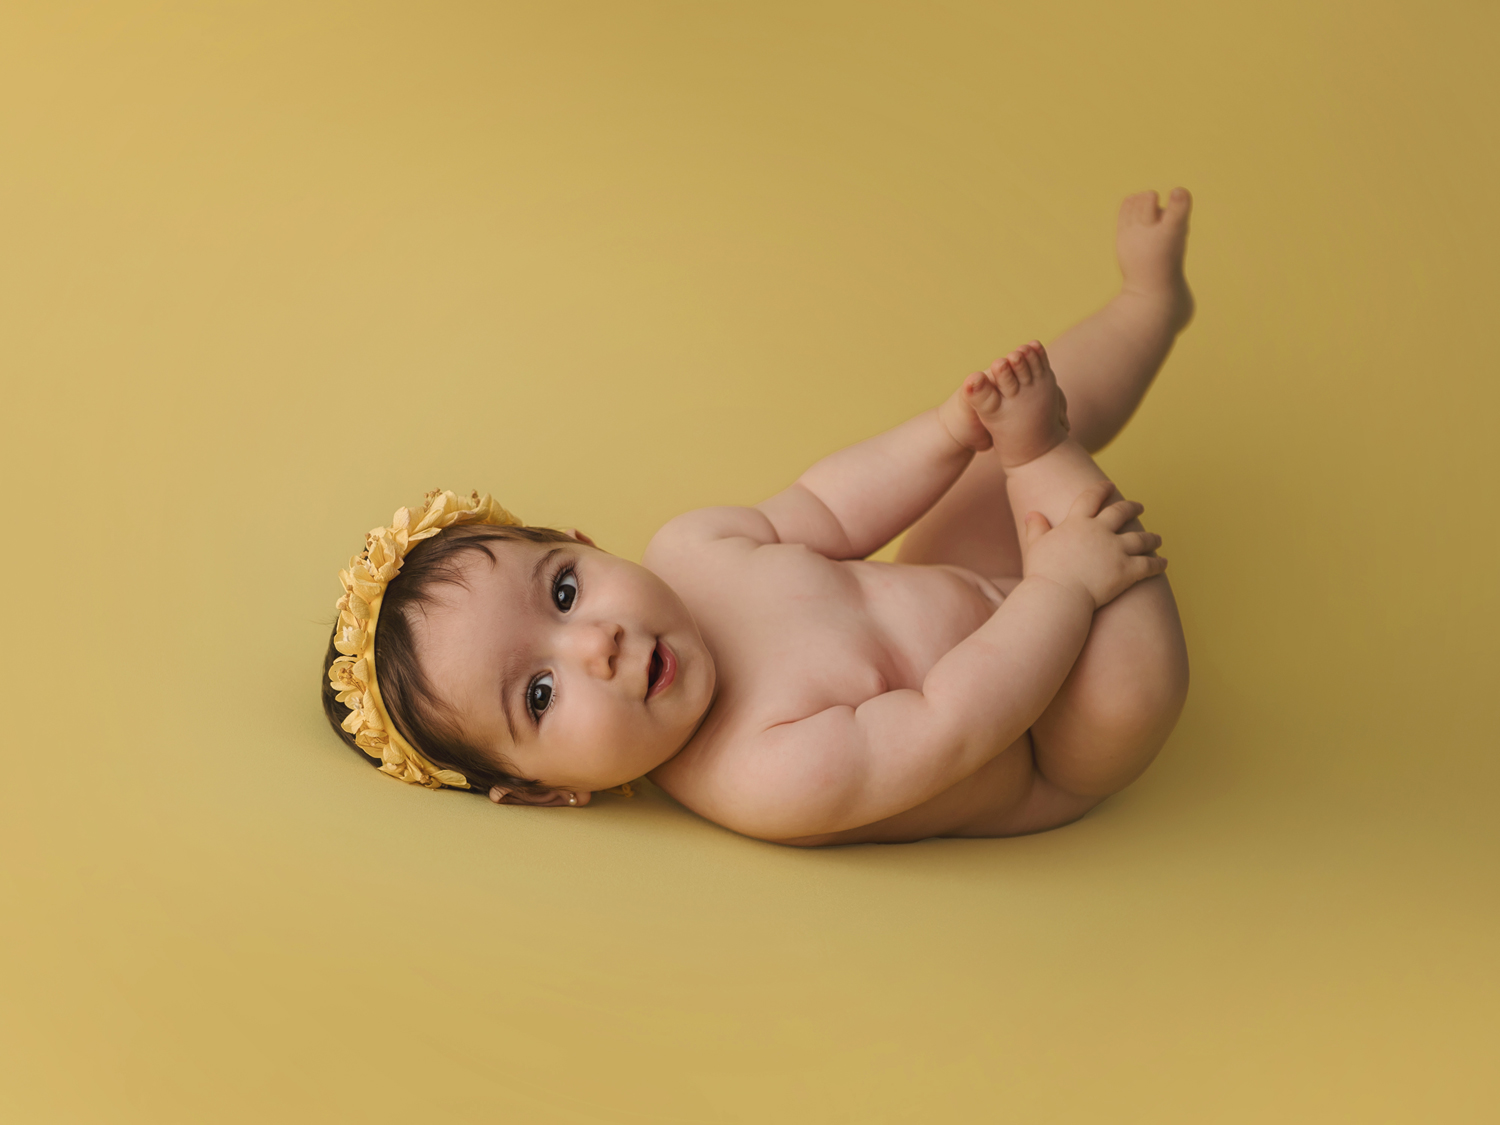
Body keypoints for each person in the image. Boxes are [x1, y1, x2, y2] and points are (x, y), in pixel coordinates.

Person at [323, 189, 1195, 845]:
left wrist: (945, 433)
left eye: (562, 593)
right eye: (540, 694)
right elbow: (951, 714)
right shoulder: (762, 775)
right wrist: (1061, 589)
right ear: (551, 791)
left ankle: (1143, 307)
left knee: (991, 446)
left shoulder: (695, 549)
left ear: (583, 545)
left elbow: (827, 504)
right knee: (1068, 524)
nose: (598, 644)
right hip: (1054, 732)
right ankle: (1047, 454)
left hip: (994, 589)